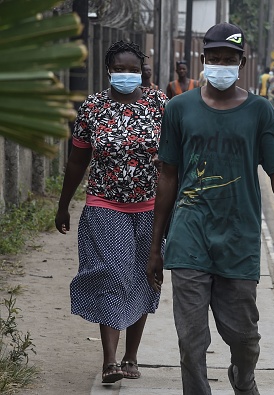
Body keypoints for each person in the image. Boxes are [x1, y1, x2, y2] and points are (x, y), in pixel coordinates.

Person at [146, 22, 274, 395]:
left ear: (242, 62)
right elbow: (168, 178)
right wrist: (156, 246)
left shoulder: (260, 112)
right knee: (191, 341)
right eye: (215, 58)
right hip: (189, 235)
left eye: (229, 59)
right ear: (203, 60)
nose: (221, 64)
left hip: (239, 237)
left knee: (243, 338)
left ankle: (243, 376)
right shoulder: (178, 109)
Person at [54, 40, 167, 384]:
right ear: (108, 70)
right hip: (105, 205)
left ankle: (132, 356)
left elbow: (175, 160)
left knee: (143, 278)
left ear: (143, 71)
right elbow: (77, 160)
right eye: (120, 68)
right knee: (112, 276)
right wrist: (63, 204)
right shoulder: (93, 107)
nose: (126, 74)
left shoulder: (161, 105)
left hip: (150, 207)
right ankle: (109, 361)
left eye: (133, 69)